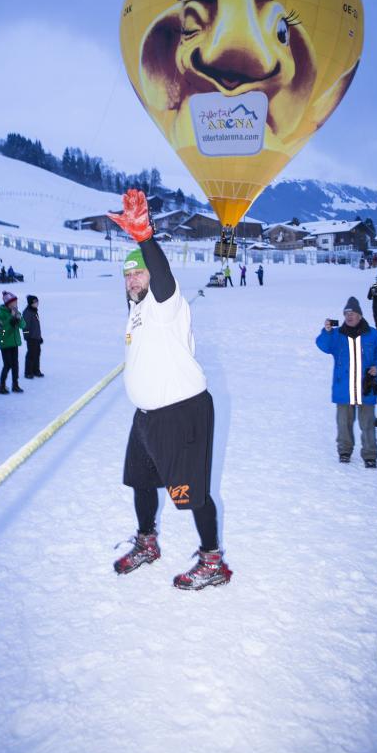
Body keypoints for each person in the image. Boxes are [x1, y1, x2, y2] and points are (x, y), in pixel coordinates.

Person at [108, 189, 232, 591]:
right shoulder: (138, 311)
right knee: (140, 482)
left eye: (138, 273)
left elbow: (160, 275)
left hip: (183, 412)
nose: (132, 279)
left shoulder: (166, 302)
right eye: (127, 274)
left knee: (192, 491)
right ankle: (147, 542)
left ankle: (213, 561)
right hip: (147, 416)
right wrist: (135, 253)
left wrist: (146, 240)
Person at [316, 296, 377, 466]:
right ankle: (344, 451)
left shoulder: (373, 334)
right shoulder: (336, 335)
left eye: (352, 313)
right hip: (343, 388)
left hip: (366, 386)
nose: (349, 316)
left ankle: (370, 454)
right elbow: (323, 346)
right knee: (343, 423)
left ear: (360, 315)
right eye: (346, 313)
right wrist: (327, 332)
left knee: (368, 424)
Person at [0, 291, 26, 393]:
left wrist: (18, 318)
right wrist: (10, 319)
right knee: (7, 364)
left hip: (14, 343)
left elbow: (23, 326)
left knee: (15, 364)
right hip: (5, 343)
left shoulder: (16, 312)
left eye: (16, 303)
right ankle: (2, 385)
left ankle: (15, 384)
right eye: (13, 303)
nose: (15, 305)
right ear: (8, 304)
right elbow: (2, 331)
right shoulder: (1, 314)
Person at [23, 294, 44, 378]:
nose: (37, 304)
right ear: (30, 303)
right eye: (35, 302)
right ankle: (28, 372)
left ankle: (36, 370)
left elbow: (37, 326)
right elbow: (25, 326)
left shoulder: (35, 311)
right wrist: (27, 336)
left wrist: (39, 337)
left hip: (36, 337)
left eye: (37, 302)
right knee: (31, 354)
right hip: (31, 338)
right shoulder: (27, 312)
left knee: (37, 353)